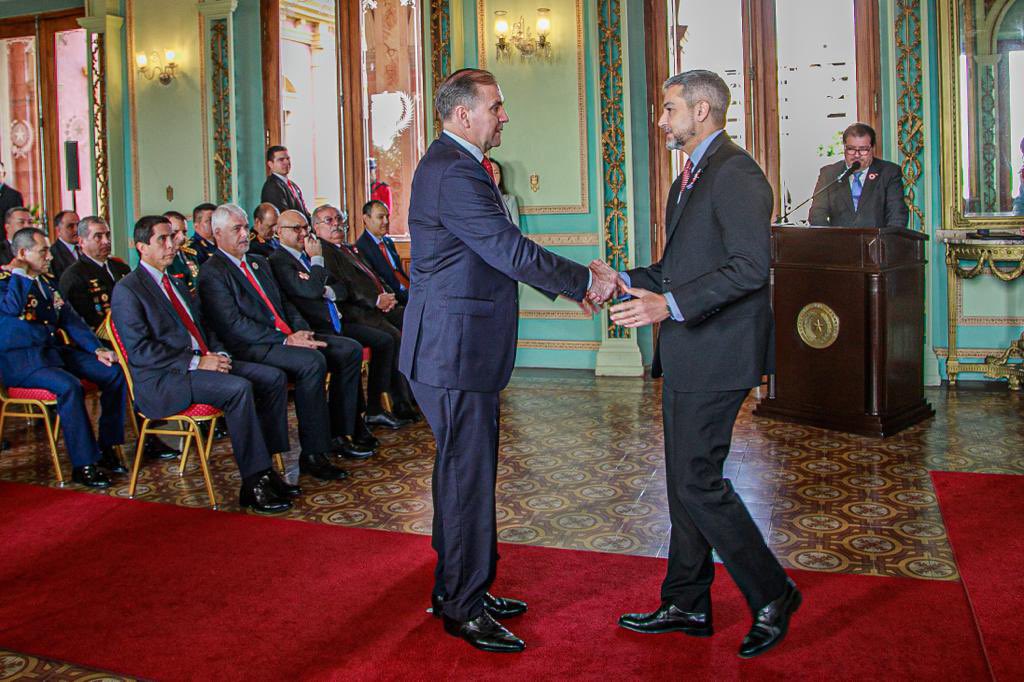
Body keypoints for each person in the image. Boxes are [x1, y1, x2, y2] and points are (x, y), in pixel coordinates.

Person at [401, 68, 616, 653]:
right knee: (468, 477)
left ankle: (459, 588)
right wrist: (584, 283)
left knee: (460, 473)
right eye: (496, 106)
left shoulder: (457, 167)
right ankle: (464, 607)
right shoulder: (453, 171)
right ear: (464, 114)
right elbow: (507, 249)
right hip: (452, 351)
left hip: (454, 348)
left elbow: (498, 250)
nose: (504, 115)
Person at [605, 69, 800, 660]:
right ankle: (687, 600)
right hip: (690, 352)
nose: (661, 119)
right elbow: (674, 269)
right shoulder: (686, 177)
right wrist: (625, 280)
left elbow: (750, 268)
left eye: (668, 109)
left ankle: (772, 592)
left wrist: (669, 304)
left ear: (703, 112)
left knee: (696, 478)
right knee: (683, 478)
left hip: (720, 352)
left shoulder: (736, 172)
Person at [111, 215, 299, 513]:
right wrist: (197, 362)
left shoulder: (174, 282)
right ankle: (254, 482)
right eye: (162, 239)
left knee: (272, 378)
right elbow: (141, 351)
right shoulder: (129, 290)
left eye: (172, 237)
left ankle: (268, 468)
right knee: (238, 389)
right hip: (163, 379)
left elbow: (205, 328)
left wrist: (220, 355)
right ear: (141, 247)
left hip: (200, 363)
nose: (172, 244)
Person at [196, 203, 369, 476]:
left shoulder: (257, 262)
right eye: (237, 229)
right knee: (312, 362)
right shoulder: (212, 272)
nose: (245, 234)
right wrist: (286, 339)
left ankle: (341, 433)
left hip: (284, 335)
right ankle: (313, 454)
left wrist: (301, 331)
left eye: (245, 228)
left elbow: (285, 304)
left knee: (349, 349)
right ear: (218, 234)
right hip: (252, 346)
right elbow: (233, 325)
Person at [0, 227, 127, 487]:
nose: (50, 257)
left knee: (113, 372)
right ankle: (84, 464)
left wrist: (96, 349)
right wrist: (20, 273)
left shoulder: (46, 282)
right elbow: (12, 309)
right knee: (69, 386)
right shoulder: (5, 281)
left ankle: (108, 446)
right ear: (23, 253)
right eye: (43, 251)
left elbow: (70, 320)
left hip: (53, 351)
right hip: (21, 361)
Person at [276, 209, 412, 428]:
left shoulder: (348, 248)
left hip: (363, 307)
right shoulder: (318, 252)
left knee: (412, 322)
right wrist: (376, 300)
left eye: (339, 219)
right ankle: (385, 405)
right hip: (349, 315)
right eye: (329, 221)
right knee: (387, 338)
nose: (336, 224)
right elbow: (323, 289)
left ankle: (406, 397)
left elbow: (367, 278)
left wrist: (388, 295)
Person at [807, 122, 909, 229]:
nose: (857, 155)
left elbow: (897, 216)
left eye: (863, 149)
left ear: (872, 148)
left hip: (877, 243)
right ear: (844, 148)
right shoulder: (829, 174)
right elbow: (817, 214)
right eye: (851, 149)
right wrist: (831, 240)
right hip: (837, 243)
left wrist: (885, 243)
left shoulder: (889, 173)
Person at [58, 216, 130, 330]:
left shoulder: (122, 268)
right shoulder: (73, 276)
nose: (106, 241)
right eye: (98, 237)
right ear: (82, 241)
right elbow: (80, 320)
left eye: (107, 235)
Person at [356, 200, 410, 305]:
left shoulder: (388, 242)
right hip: (394, 298)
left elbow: (398, 272)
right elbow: (378, 283)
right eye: (380, 217)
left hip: (408, 289)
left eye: (387, 216)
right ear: (366, 219)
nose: (386, 221)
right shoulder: (361, 248)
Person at [260, 146, 311, 223]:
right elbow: (283, 216)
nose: (286, 162)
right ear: (270, 164)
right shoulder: (272, 187)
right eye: (281, 160)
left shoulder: (293, 185)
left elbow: (304, 212)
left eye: (288, 159)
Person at [163, 210, 201, 293]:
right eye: (174, 232)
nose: (181, 237)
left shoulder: (190, 255)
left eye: (184, 232)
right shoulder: (161, 258)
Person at [487, 158, 520, 227]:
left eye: (496, 173)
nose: (493, 176)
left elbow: (516, 227)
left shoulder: (510, 200)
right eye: (490, 172)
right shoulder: (477, 198)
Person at [49, 210, 80, 280]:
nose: (76, 229)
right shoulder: (53, 254)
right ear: (58, 230)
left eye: (78, 225)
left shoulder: (83, 249)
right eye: (70, 226)